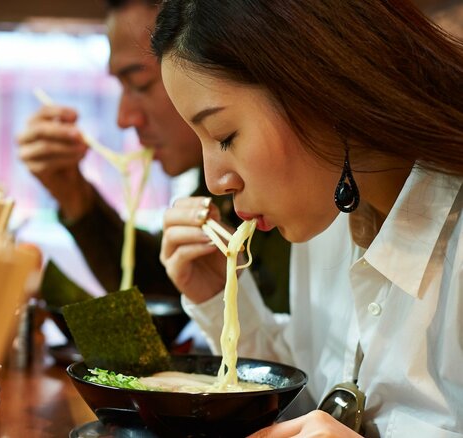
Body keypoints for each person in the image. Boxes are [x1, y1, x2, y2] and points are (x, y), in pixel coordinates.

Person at [151, 0, 463, 436]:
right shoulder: (329, 217)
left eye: (224, 136)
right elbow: (312, 398)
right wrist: (218, 297)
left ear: (318, 88)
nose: (215, 180)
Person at [16, 0, 290, 309]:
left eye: (140, 83)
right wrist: (75, 196)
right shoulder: (214, 187)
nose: (123, 118)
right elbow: (170, 293)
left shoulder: (303, 198)